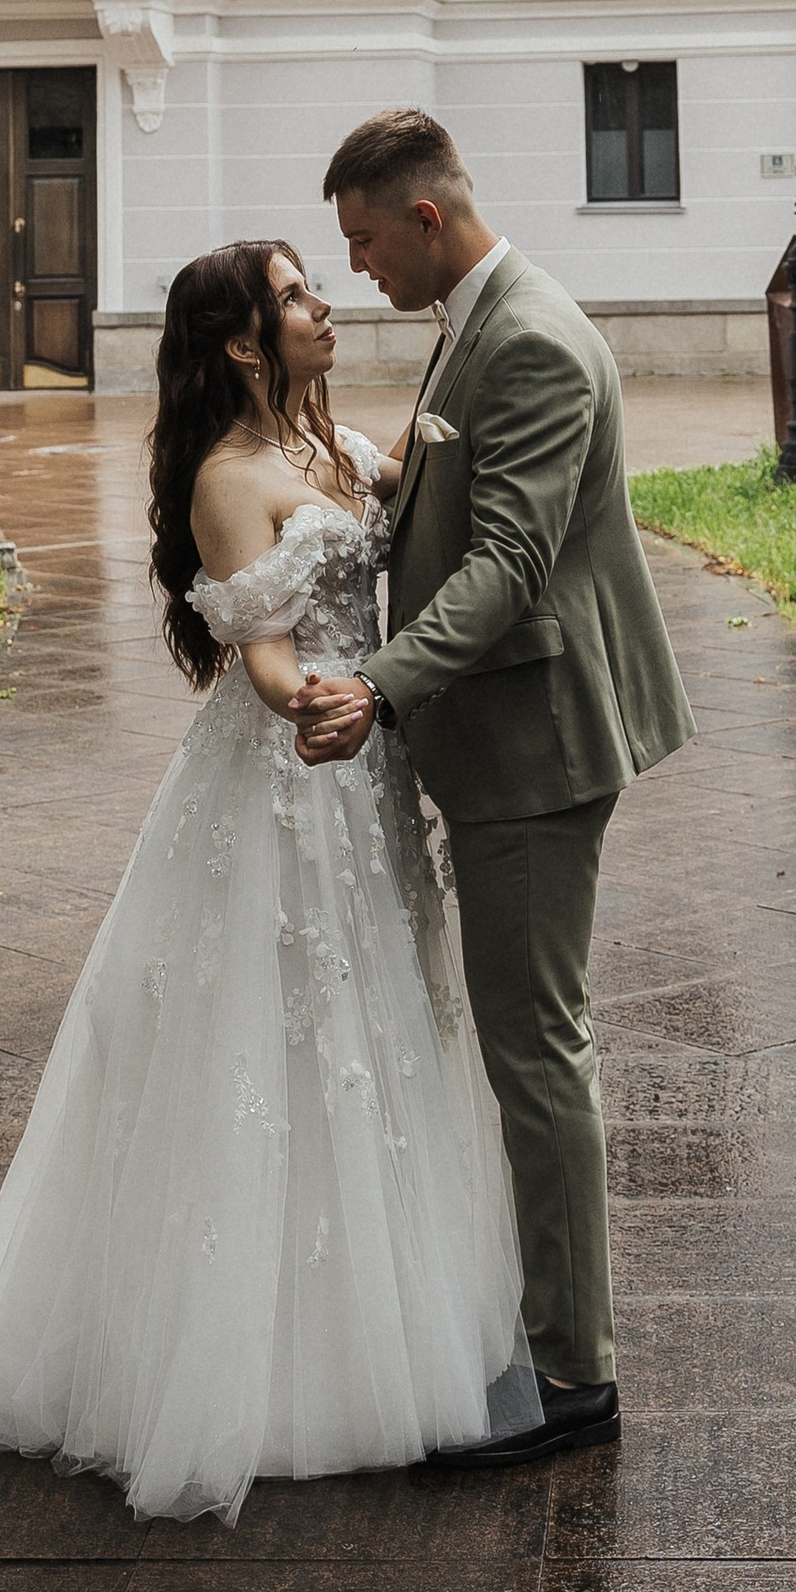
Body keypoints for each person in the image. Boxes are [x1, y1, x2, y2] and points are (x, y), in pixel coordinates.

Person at [0, 238, 532, 1525]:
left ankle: (392, 1311)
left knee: (380, 1027)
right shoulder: (231, 476)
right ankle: (267, 1363)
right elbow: (266, 662)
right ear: (240, 340)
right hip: (291, 781)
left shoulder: (333, 443)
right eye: (293, 296)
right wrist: (330, 704)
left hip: (368, 777)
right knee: (281, 1037)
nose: (319, 306)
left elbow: (425, 494)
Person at [294, 107, 695, 1469]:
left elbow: (511, 563)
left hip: (534, 745)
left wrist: (382, 686)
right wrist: (386, 475)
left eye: (363, 242)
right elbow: (470, 499)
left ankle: (575, 1375)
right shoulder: (480, 316)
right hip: (510, 732)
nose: (357, 274)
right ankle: (550, 1333)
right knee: (531, 1038)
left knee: (537, 1047)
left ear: (424, 218)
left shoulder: (524, 336)